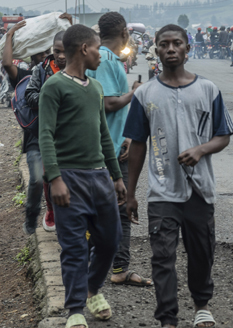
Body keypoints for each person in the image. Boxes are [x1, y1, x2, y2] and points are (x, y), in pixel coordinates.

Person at [124, 24, 233, 328]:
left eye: (177, 43)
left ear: (188, 48)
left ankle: (202, 306)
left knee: (202, 252)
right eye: (164, 44)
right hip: (162, 191)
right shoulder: (145, 95)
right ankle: (167, 323)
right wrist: (131, 193)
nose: (171, 49)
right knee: (162, 256)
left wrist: (201, 149)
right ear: (155, 50)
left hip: (200, 190)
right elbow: (138, 144)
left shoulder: (208, 90)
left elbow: (223, 135)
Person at [38, 24, 125, 328]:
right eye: (98, 48)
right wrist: (55, 178)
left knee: (110, 240)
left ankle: (91, 288)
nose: (102, 54)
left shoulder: (96, 88)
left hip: (100, 176)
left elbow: (103, 134)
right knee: (74, 246)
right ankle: (75, 309)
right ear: (83, 49)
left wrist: (116, 176)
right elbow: (45, 134)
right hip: (69, 178)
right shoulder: (55, 87)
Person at [85, 12, 151, 288]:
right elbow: (108, 103)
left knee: (106, 209)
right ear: (124, 32)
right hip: (109, 149)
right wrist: (135, 92)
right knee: (120, 208)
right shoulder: (106, 59)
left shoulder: (105, 57)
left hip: (110, 142)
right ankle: (118, 267)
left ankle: (103, 263)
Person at [22, 30, 69, 235]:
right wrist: (51, 93)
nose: (60, 56)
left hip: (65, 136)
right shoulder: (41, 70)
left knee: (58, 179)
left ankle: (56, 213)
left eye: (65, 51)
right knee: (37, 179)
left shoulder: (81, 71)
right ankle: (32, 214)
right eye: (56, 51)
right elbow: (29, 97)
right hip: (38, 134)